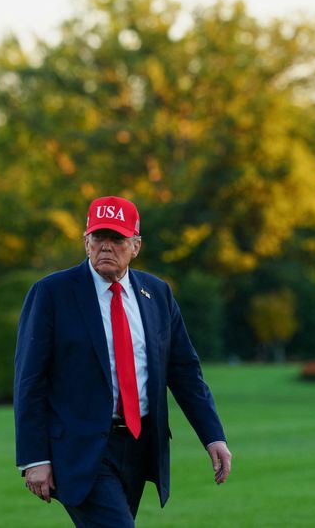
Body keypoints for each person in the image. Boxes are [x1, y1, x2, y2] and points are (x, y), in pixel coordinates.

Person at [14, 195, 232, 527]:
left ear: (136, 246)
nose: (106, 246)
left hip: (139, 446)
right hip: (81, 450)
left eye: (117, 238)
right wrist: (34, 458)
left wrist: (213, 436)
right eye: (98, 237)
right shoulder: (52, 294)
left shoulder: (157, 294)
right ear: (86, 242)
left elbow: (185, 371)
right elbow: (30, 380)